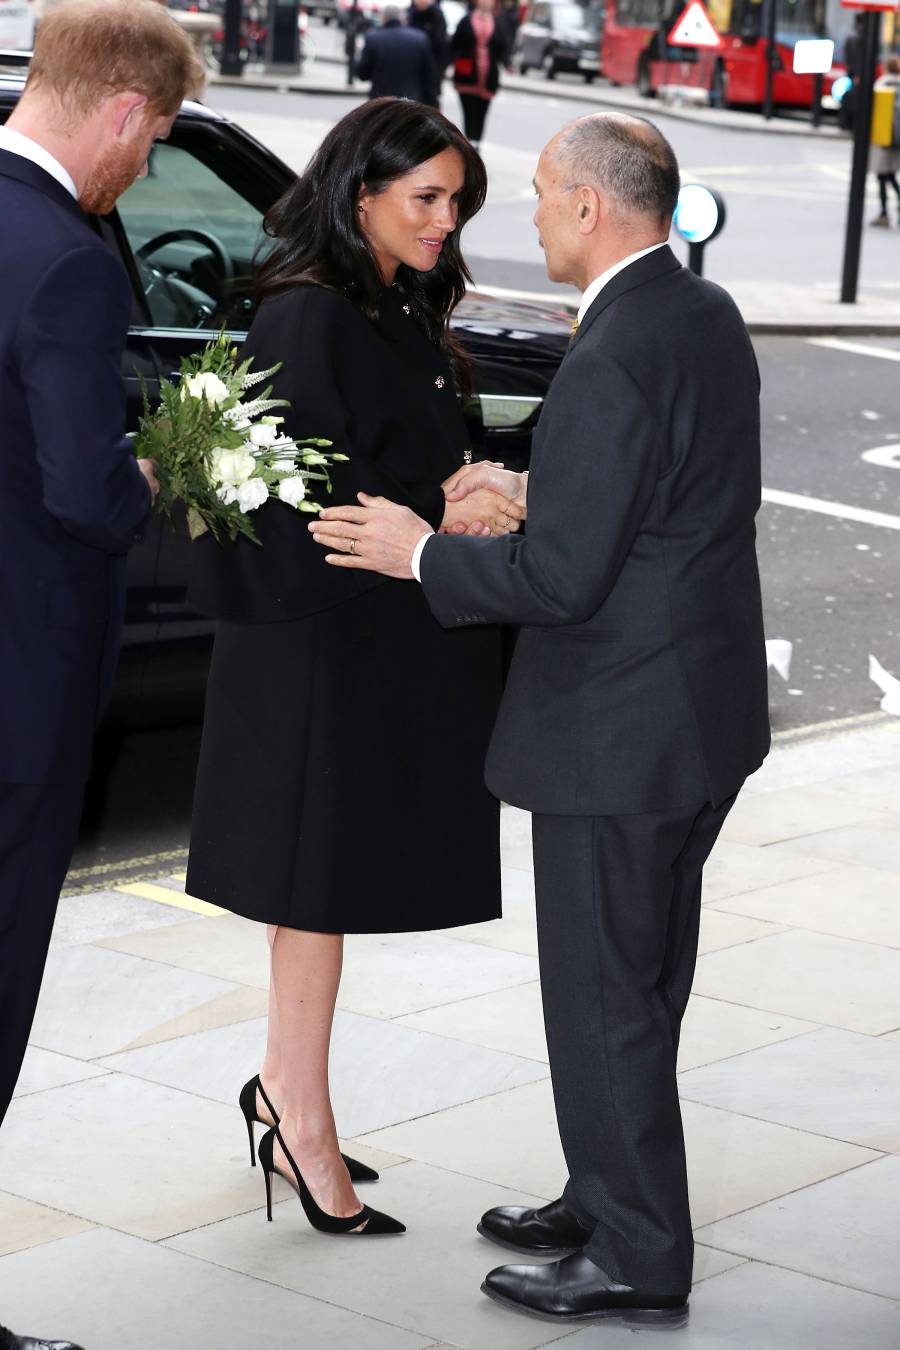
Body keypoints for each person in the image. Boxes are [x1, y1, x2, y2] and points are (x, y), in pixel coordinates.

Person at [310, 111, 770, 1325]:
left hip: (622, 733)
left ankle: (637, 1255)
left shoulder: (615, 348)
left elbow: (564, 581)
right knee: (640, 980)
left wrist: (418, 552)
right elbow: (664, 494)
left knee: (606, 992)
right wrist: (532, 486)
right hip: (695, 717)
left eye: (543, 192)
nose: (531, 212)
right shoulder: (697, 310)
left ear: (589, 207)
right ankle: (606, 1193)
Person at [185, 97, 524, 1239]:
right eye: (426, 198)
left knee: (318, 894)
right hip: (315, 653)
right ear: (360, 191)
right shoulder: (311, 314)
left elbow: (384, 460)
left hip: (364, 646)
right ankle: (301, 1122)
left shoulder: (392, 301)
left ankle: (285, 1093)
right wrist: (445, 507)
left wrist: (461, 488)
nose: (445, 221)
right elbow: (315, 504)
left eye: (456, 201)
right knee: (311, 895)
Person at [0, 1, 204, 1346]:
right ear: (126, 110)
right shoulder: (69, 265)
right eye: (159, 138)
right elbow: (87, 495)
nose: (145, 165)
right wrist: (147, 480)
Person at [450, 0, 511, 149]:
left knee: (482, 112)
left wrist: (508, 63)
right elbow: (455, 44)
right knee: (468, 111)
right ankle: (468, 143)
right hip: (467, 73)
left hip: (488, 75)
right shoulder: (466, 20)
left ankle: (476, 143)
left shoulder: (498, 23)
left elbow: (503, 47)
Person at [354, 6, 436, 103]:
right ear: (402, 19)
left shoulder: (372, 38)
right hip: (411, 102)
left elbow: (363, 74)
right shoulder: (420, 38)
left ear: (383, 18)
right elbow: (429, 75)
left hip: (380, 103)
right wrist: (432, 100)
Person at [871, 56, 900, 227]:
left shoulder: (882, 84)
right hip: (898, 138)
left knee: (882, 175)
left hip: (883, 137)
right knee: (890, 174)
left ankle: (883, 214)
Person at [408, 0, 449, 107]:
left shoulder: (436, 15)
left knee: (430, 103)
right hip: (413, 68)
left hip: (432, 67)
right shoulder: (412, 13)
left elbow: (441, 44)